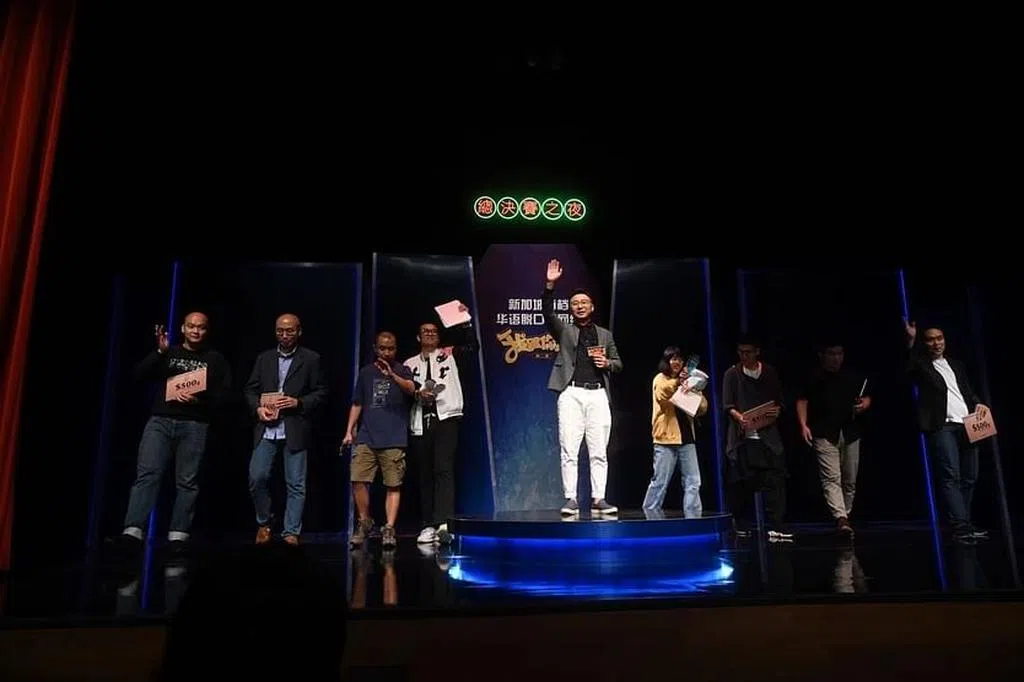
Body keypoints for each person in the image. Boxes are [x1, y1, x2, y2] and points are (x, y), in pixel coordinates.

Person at [117, 312, 231, 555]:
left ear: (206, 330)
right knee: (148, 474)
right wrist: (159, 352)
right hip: (161, 421)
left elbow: (225, 395)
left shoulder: (215, 359)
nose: (196, 331)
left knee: (187, 480)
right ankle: (133, 531)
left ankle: (179, 534)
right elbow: (138, 375)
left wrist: (199, 400)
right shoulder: (169, 353)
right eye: (191, 326)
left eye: (201, 327)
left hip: (195, 423)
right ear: (183, 328)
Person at [542, 258, 623, 516]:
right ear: (571, 308)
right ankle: (571, 499)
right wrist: (550, 285)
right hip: (572, 393)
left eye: (584, 302)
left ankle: (599, 498)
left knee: (599, 450)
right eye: (575, 303)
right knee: (569, 448)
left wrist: (607, 363)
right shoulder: (565, 331)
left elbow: (619, 363)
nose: (579, 306)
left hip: (598, 394)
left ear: (592, 306)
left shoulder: (605, 335)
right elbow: (547, 313)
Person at [244, 314, 328, 546]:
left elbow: (321, 392)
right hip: (267, 427)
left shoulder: (311, 359)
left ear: (299, 332)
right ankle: (264, 521)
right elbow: (250, 390)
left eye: (289, 331)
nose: (284, 335)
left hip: (294, 427)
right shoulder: (264, 358)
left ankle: (291, 531)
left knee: (296, 483)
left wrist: (298, 402)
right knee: (257, 477)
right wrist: (258, 408)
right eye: (280, 331)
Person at [903, 318, 989, 543]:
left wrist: (978, 403)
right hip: (942, 426)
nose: (936, 343)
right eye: (930, 340)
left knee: (970, 476)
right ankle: (960, 526)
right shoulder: (922, 366)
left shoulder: (956, 364)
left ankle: (966, 522)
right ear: (924, 343)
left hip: (967, 424)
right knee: (951, 475)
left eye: (939, 338)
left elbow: (966, 390)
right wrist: (910, 342)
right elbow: (908, 366)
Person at [403, 318, 479, 545]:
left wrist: (465, 324)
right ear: (418, 337)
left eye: (434, 331)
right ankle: (427, 524)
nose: (429, 334)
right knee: (424, 472)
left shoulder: (449, 354)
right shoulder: (409, 364)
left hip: (446, 417)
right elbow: (404, 391)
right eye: (425, 331)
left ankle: (444, 523)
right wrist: (417, 394)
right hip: (420, 419)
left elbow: (472, 348)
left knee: (443, 468)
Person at [344, 331, 416, 548]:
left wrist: (392, 376)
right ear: (376, 349)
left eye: (390, 348)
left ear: (396, 349)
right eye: (383, 348)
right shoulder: (366, 373)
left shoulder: (402, 370)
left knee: (393, 484)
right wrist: (349, 430)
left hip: (394, 436)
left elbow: (412, 389)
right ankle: (365, 521)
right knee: (358, 479)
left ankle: (389, 527)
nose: (386, 352)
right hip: (367, 435)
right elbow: (357, 403)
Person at [795, 341, 871, 538]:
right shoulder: (813, 377)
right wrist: (803, 425)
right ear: (822, 355)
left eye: (839, 354)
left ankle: (845, 515)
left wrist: (864, 404)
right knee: (831, 477)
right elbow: (802, 400)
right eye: (831, 354)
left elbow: (866, 397)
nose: (836, 358)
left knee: (850, 479)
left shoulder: (852, 376)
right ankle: (841, 518)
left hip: (850, 432)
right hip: (824, 432)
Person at [721, 334, 792, 541]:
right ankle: (740, 523)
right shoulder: (732, 374)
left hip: (767, 437)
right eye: (741, 352)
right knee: (742, 483)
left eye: (748, 352)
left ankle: (777, 525)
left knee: (775, 481)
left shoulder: (769, 372)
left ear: (757, 352)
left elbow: (779, 401)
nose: (744, 356)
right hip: (743, 438)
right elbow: (728, 405)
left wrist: (777, 410)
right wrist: (738, 417)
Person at [643, 347, 708, 517]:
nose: (676, 362)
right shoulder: (661, 379)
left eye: (679, 359)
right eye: (673, 359)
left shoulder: (688, 381)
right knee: (660, 482)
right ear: (667, 361)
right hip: (666, 439)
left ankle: (693, 519)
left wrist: (694, 388)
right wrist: (679, 383)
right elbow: (663, 394)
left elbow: (702, 408)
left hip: (687, 439)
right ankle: (650, 516)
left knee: (693, 482)